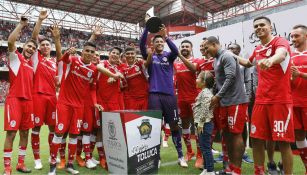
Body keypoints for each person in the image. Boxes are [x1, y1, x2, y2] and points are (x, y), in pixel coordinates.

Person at [48, 42, 120, 175]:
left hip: (79, 106)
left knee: (75, 135)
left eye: (92, 52)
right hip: (64, 104)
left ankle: (70, 164)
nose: (90, 53)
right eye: (87, 50)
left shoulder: (93, 69)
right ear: (82, 51)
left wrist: (94, 103)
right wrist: (65, 50)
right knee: (59, 133)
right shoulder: (74, 60)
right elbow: (62, 60)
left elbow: (92, 89)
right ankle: (52, 165)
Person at [238, 16, 294, 175]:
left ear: (270, 27)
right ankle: (259, 172)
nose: (258, 28)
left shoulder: (279, 42)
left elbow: (281, 54)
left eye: (262, 25)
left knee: (283, 143)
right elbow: (248, 63)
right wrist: (232, 56)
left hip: (280, 101)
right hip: (260, 101)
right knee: (257, 140)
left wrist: (271, 60)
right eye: (256, 26)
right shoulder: (257, 49)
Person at [139, 23, 188, 167]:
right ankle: (157, 157)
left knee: (173, 125)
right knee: (154, 126)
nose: (159, 43)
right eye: (157, 42)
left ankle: (180, 156)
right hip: (154, 95)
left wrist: (166, 37)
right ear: (153, 44)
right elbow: (141, 44)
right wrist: (148, 28)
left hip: (169, 96)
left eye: (161, 42)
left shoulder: (169, 56)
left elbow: (175, 50)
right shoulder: (150, 56)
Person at [204, 36, 249, 175]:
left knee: (236, 135)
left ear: (214, 44)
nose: (205, 50)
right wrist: (214, 95)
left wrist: (218, 96)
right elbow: (220, 81)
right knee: (227, 135)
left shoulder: (227, 56)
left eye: (206, 47)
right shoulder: (216, 60)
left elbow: (231, 78)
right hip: (225, 103)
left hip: (235, 101)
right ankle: (230, 168)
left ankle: (237, 170)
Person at [3, 15, 38, 175]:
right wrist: (21, 25)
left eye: (33, 48)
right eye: (29, 46)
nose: (31, 49)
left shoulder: (32, 65)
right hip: (14, 100)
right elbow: (10, 42)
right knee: (11, 133)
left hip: (28, 102)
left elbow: (36, 38)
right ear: (23, 46)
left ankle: (20, 164)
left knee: (25, 133)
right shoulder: (15, 59)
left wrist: (39, 22)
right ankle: (7, 168)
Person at [30, 10, 62, 170]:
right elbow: (34, 37)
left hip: (52, 98)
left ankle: (52, 155)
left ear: (50, 47)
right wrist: (40, 20)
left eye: (46, 45)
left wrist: (58, 86)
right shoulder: (36, 58)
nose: (44, 46)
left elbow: (58, 81)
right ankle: (36, 159)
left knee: (52, 128)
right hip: (37, 96)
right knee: (35, 128)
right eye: (42, 45)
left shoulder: (55, 62)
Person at [174, 40, 202, 162]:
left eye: (187, 46)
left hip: (195, 98)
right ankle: (189, 152)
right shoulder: (176, 64)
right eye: (182, 46)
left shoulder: (197, 61)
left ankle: (200, 155)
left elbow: (194, 70)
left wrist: (179, 56)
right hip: (181, 99)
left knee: (198, 127)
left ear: (191, 48)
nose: (184, 48)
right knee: (185, 126)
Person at [227, 43, 254, 164]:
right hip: (227, 100)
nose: (232, 50)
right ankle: (228, 153)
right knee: (228, 128)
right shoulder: (224, 62)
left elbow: (248, 80)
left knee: (243, 127)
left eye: (234, 49)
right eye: (230, 48)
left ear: (239, 51)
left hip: (241, 100)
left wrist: (248, 96)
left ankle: (243, 153)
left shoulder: (244, 65)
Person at [290, 24, 307, 174]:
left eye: (297, 36)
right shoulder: (289, 56)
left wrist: (300, 75)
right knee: (299, 136)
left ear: (305, 36)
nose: (293, 39)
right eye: (292, 36)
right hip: (294, 103)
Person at [193, 71, 215, 175]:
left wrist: (201, 123)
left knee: (206, 148)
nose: (196, 79)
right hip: (202, 124)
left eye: (198, 77)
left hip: (205, 125)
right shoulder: (203, 91)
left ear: (204, 82)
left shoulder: (206, 92)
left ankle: (210, 171)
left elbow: (206, 107)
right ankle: (206, 169)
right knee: (203, 147)